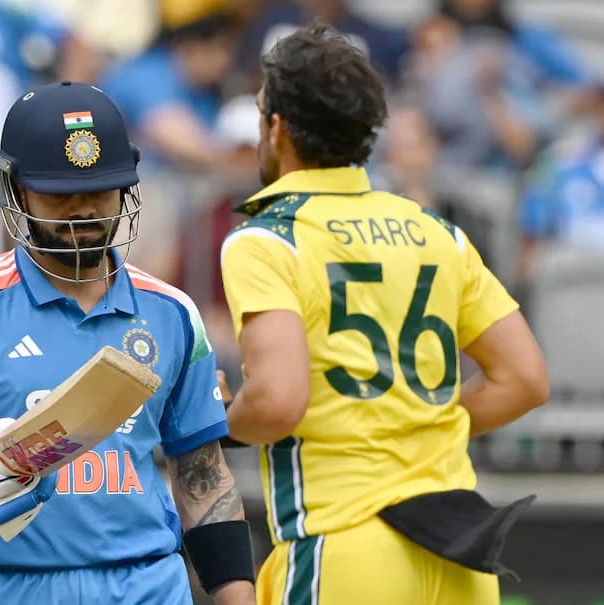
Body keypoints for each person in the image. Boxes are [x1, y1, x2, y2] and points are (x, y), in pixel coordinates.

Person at [0, 81, 256, 605]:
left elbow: (205, 478)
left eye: (100, 189)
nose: (84, 210)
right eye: (59, 191)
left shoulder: (173, 313)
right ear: (17, 189)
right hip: (12, 588)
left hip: (147, 585)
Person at [218, 26, 550, 604]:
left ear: (277, 127)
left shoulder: (267, 239)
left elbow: (276, 401)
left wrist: (223, 419)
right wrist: (410, 425)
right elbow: (524, 380)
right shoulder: (435, 231)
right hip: (458, 548)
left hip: (345, 545)